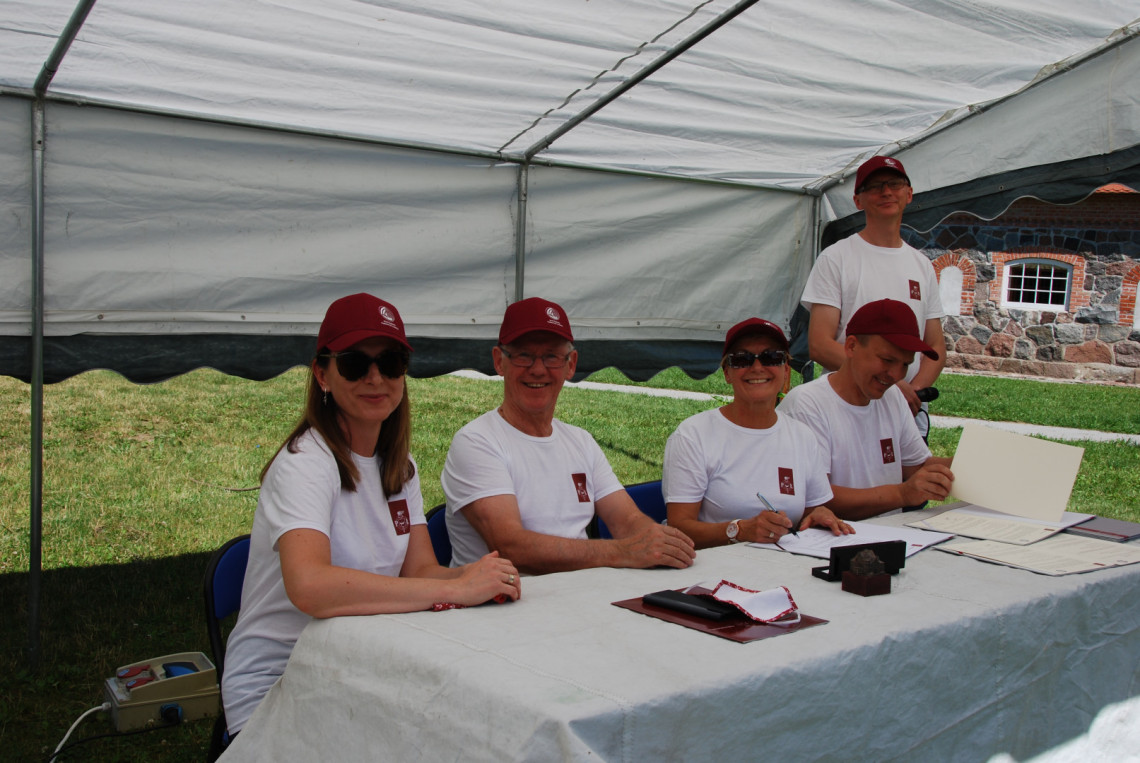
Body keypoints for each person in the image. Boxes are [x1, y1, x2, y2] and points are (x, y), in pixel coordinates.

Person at [220, 293, 521, 741]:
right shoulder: (305, 463)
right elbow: (311, 587)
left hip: (362, 665)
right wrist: (457, 588)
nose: (376, 378)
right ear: (322, 374)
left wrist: (474, 576)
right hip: (281, 684)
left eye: (392, 361)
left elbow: (418, 570)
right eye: (355, 364)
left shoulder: (401, 466)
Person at [442, 296, 696, 574]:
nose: (538, 369)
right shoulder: (476, 442)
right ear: (499, 362)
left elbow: (626, 520)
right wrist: (623, 551)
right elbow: (511, 547)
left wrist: (657, 542)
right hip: (498, 607)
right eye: (523, 355)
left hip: (579, 598)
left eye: (551, 356)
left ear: (571, 364)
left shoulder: (580, 441)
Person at [663, 318, 852, 548]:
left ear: (785, 369)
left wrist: (820, 515)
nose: (757, 367)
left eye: (771, 357)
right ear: (727, 373)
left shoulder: (803, 436)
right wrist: (739, 530)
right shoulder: (693, 435)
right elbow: (678, 527)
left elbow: (812, 510)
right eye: (742, 359)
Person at [800, 155, 946, 434]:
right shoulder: (837, 258)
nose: (887, 192)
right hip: (847, 409)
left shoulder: (922, 266)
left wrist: (912, 392)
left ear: (909, 193)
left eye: (894, 184)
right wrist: (891, 386)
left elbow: (935, 347)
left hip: (908, 413)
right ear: (858, 201)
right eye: (875, 187)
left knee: (911, 477)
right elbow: (819, 344)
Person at [778, 298, 954, 519]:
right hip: (830, 545)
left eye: (905, 364)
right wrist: (902, 494)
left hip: (887, 539)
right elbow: (814, 499)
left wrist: (978, 463)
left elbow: (917, 467)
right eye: (887, 360)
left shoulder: (892, 398)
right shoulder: (806, 405)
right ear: (851, 346)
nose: (896, 375)